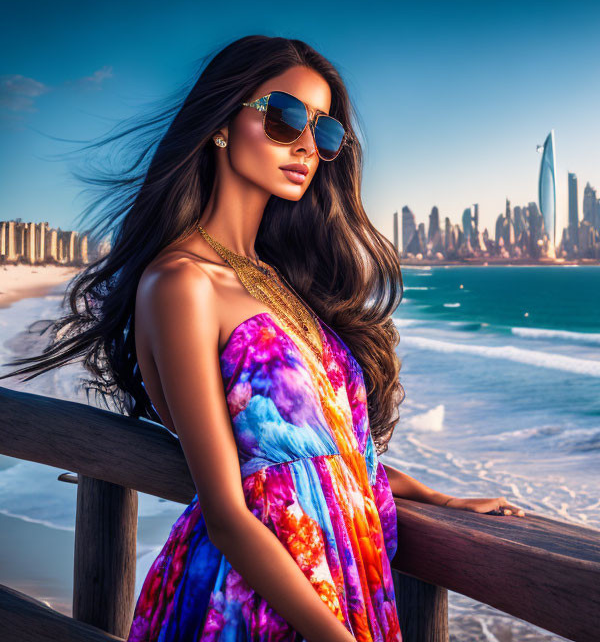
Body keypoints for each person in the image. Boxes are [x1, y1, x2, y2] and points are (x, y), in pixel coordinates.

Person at [0, 35, 524, 641]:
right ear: (223, 122)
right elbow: (226, 511)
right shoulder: (181, 283)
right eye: (285, 117)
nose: (305, 144)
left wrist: (438, 498)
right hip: (256, 598)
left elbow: (329, 454)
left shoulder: (276, 280)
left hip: (347, 575)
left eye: (325, 133)